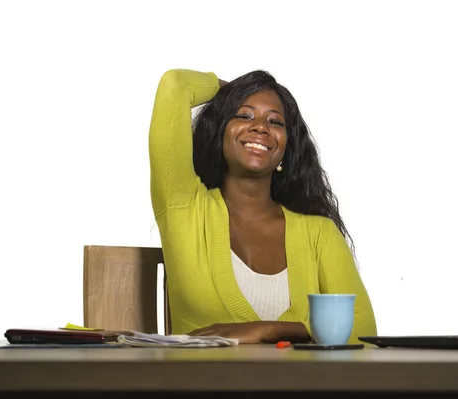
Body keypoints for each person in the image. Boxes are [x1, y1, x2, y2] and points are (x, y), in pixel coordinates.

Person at [148, 68, 376, 344]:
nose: (260, 127)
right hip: (202, 385)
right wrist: (234, 91)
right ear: (219, 132)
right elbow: (176, 86)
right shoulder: (183, 207)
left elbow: (362, 330)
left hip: (301, 387)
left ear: (286, 147)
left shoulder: (319, 234)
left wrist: (272, 329)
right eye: (244, 115)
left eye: (275, 122)